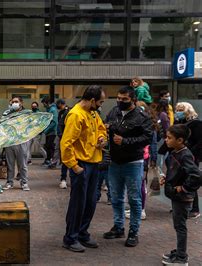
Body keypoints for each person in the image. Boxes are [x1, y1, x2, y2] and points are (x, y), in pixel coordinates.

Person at [103, 86, 153, 248]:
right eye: (118, 98)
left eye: (124, 99)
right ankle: (118, 227)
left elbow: (147, 138)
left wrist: (125, 141)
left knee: (134, 199)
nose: (120, 101)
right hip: (115, 162)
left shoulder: (142, 116)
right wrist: (104, 135)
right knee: (116, 198)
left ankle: (133, 232)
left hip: (133, 163)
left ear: (132, 99)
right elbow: (106, 127)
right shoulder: (114, 112)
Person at [60, 85, 107, 252]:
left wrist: (102, 138)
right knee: (78, 203)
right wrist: (74, 166)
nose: (101, 105)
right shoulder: (75, 115)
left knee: (90, 201)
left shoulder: (92, 112)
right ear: (92, 100)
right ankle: (70, 237)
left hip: (94, 163)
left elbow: (101, 128)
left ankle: (81, 233)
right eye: (100, 101)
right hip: (82, 164)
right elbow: (66, 143)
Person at [160, 124, 201, 266]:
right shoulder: (176, 152)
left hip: (182, 198)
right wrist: (167, 178)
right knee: (179, 225)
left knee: (180, 226)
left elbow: (196, 176)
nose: (166, 140)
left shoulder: (185, 154)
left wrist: (182, 188)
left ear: (180, 140)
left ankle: (181, 257)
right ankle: (179, 252)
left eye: (169, 138)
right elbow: (178, 172)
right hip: (177, 197)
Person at [175, 102, 202, 219]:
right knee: (178, 179)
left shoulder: (196, 124)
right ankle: (181, 204)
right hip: (178, 156)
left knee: (191, 180)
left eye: (181, 109)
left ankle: (195, 208)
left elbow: (200, 142)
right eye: (177, 109)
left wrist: (191, 153)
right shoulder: (179, 123)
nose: (178, 111)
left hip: (191, 156)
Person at [3, 96, 30, 191]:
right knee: (10, 164)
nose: (14, 103)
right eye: (13, 102)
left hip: (22, 141)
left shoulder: (26, 113)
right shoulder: (7, 113)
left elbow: (29, 126)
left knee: (22, 164)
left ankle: (24, 182)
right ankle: (9, 182)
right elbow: (3, 125)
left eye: (16, 101)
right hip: (10, 141)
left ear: (21, 103)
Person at [41, 97, 58, 168]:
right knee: (48, 146)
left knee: (50, 146)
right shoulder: (49, 109)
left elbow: (54, 122)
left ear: (47, 102)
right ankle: (48, 160)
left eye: (44, 103)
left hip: (52, 132)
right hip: (49, 132)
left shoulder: (53, 110)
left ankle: (51, 161)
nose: (43, 105)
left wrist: (46, 130)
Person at [56, 99, 70, 189]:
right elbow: (60, 125)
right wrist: (61, 136)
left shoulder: (69, 112)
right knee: (65, 160)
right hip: (65, 139)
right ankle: (63, 179)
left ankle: (64, 179)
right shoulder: (63, 113)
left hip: (71, 139)